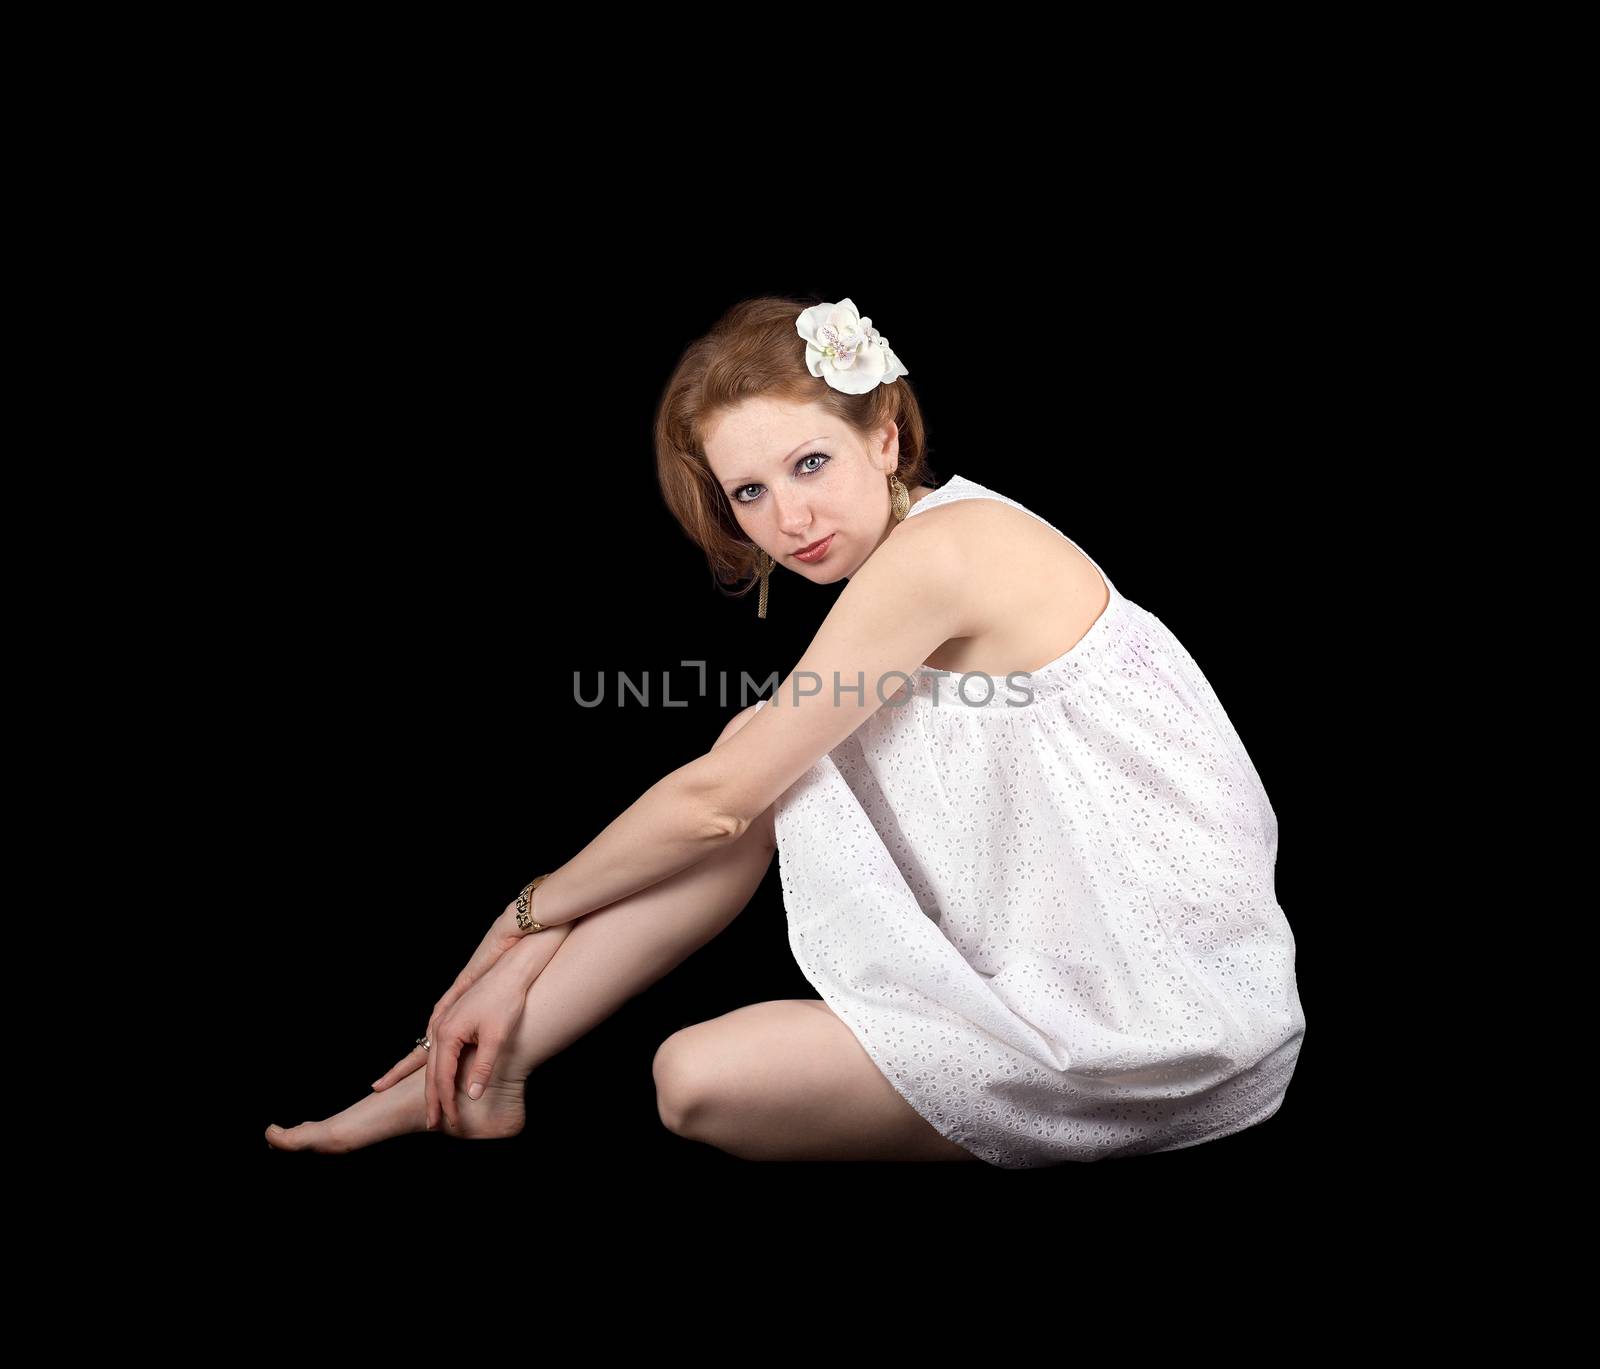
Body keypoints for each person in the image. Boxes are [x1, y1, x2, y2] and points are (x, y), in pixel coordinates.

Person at [266, 295, 1306, 1165]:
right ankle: (484, 1070)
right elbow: (731, 799)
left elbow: (713, 810)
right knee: (768, 754)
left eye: (810, 464)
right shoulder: (908, 570)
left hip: (1164, 1026)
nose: (788, 520)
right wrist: (528, 951)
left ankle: (481, 1052)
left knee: (696, 1067)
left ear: (885, 436)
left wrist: (522, 918)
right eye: (750, 493)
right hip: (1054, 981)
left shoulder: (953, 551)